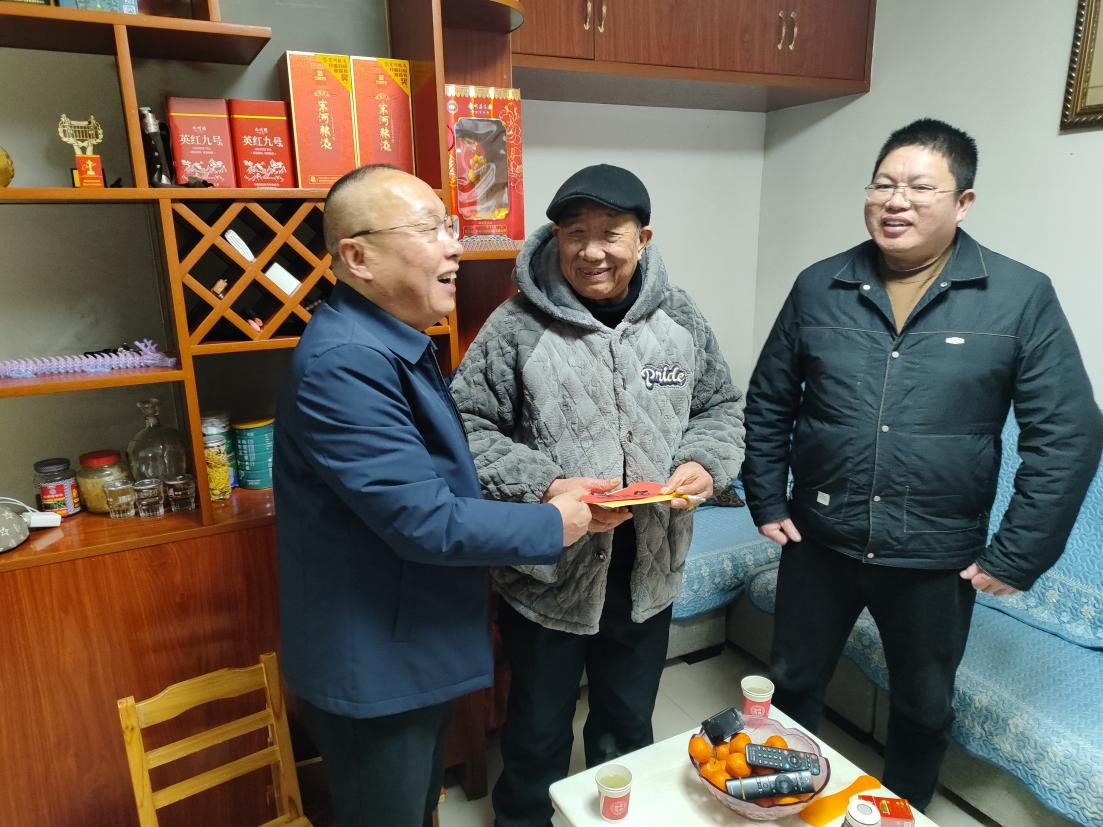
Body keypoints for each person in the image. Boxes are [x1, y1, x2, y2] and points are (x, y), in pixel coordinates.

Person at [742, 118, 1103, 810]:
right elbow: (769, 400)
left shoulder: (1019, 295)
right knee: (791, 681)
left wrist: (1017, 553)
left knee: (923, 705)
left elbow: (1068, 433)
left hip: (935, 555)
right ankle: (778, 803)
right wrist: (766, 496)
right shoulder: (819, 285)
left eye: (918, 187)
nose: (895, 201)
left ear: (963, 202)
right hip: (819, 538)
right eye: (883, 184)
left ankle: (899, 812)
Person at [273, 164, 593, 827]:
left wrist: (548, 487)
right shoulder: (345, 363)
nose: (455, 247)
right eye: (429, 230)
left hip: (406, 644)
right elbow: (422, 518)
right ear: (357, 257)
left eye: (450, 226)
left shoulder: (385, 342)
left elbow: (439, 473)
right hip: (376, 664)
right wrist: (551, 523)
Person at [450, 164, 746, 827]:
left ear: (642, 238)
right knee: (536, 731)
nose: (591, 251)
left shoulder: (678, 319)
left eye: (609, 233)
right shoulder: (516, 325)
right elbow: (465, 427)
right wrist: (547, 484)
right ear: (555, 238)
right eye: (574, 233)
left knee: (627, 725)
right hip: (548, 574)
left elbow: (720, 407)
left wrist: (703, 462)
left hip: (649, 571)